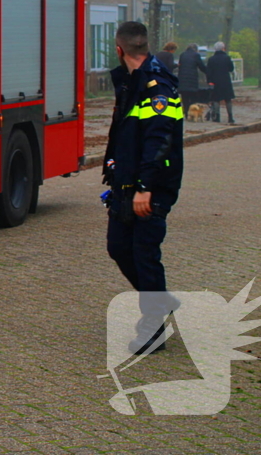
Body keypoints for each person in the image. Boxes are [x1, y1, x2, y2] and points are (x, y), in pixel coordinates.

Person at [103, 21, 184, 353]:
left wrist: (145, 187)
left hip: (151, 187)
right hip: (127, 182)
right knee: (118, 247)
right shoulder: (131, 82)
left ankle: (154, 329)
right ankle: (160, 300)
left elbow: (159, 140)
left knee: (144, 254)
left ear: (119, 49)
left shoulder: (157, 85)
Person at [206, 41, 236, 124]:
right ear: (223, 48)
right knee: (228, 99)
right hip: (226, 81)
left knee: (216, 99)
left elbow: (208, 72)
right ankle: (230, 117)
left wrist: (209, 81)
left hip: (215, 81)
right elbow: (231, 69)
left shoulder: (211, 59)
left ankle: (217, 117)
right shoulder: (227, 58)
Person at [177, 43, 207, 119]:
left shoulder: (182, 55)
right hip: (192, 80)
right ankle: (193, 114)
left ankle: (186, 113)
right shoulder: (196, 55)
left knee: (185, 98)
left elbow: (180, 66)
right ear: (196, 49)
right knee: (193, 98)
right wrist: (208, 72)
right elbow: (201, 66)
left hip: (182, 80)